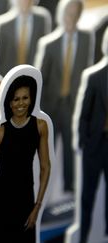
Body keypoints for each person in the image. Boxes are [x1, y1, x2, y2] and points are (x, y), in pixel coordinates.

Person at [0, 75, 51, 242]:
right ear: (9, 103)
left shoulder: (40, 126)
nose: (21, 103)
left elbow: (45, 168)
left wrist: (36, 208)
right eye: (16, 99)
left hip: (24, 200)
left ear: (31, 98)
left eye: (25, 98)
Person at [36, 0, 93, 193]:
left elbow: (88, 70)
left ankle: (69, 190)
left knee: (71, 150)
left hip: (73, 105)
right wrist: (39, 110)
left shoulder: (86, 39)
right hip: (52, 105)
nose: (71, 17)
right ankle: (42, 188)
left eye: (75, 13)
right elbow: (40, 78)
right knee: (47, 149)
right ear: (61, 14)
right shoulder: (48, 43)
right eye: (68, 13)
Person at [76, 28, 108, 243]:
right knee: (87, 196)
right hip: (95, 146)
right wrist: (84, 142)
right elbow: (84, 114)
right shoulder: (95, 77)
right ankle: (83, 236)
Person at [0, 0, 51, 76]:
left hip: (32, 76)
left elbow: (46, 54)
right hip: (7, 77)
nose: (26, 2)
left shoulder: (41, 20)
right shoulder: (1, 25)